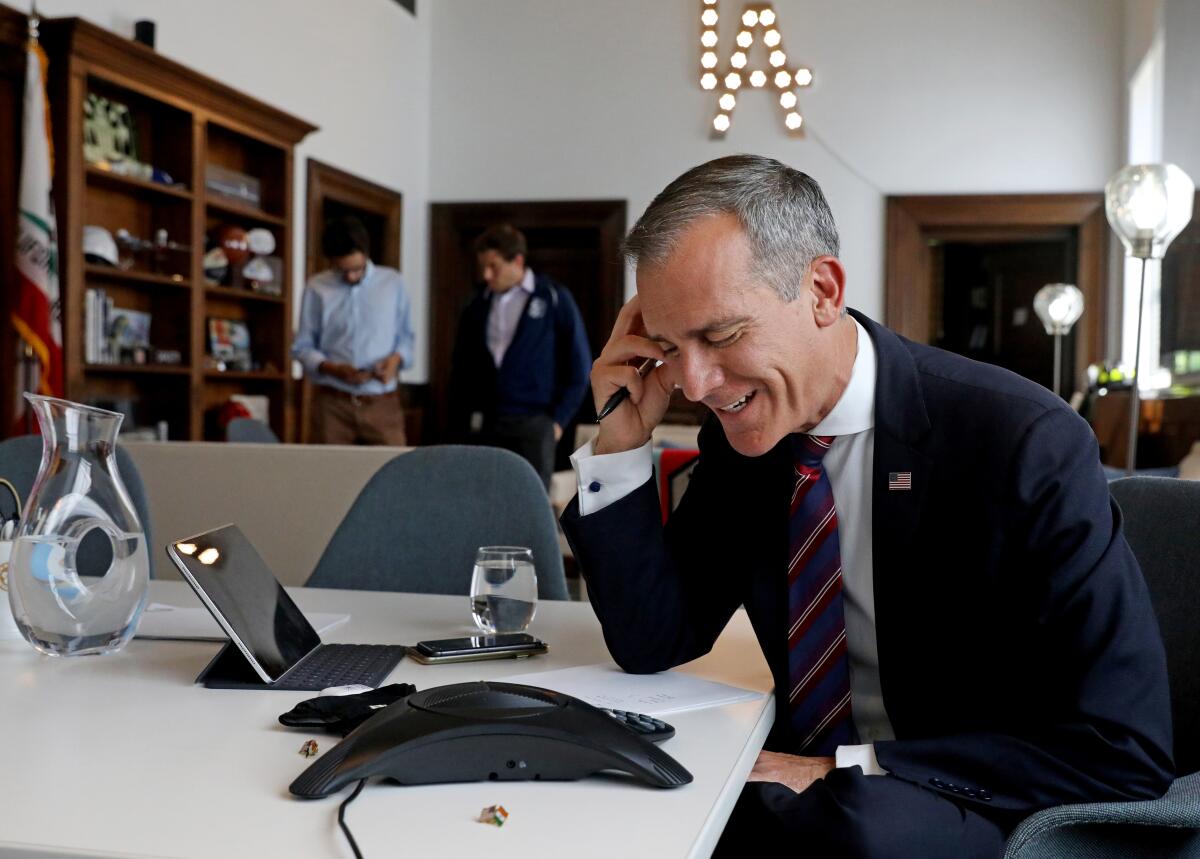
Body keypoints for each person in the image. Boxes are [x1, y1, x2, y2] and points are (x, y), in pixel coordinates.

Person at [559, 155, 1173, 857]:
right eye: (670, 347)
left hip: (967, 798)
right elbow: (652, 639)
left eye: (722, 335)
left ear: (822, 290)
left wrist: (853, 767)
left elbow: (1125, 745)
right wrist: (619, 438)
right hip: (799, 784)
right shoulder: (744, 442)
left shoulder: (1020, 442)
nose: (695, 382)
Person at [448, 224, 592, 489]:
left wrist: (557, 423)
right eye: (483, 267)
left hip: (535, 425)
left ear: (517, 261)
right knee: (483, 499)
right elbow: (461, 368)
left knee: (531, 504)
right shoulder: (475, 304)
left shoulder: (553, 297)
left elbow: (580, 367)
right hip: (486, 425)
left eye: (494, 266)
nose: (487, 274)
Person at [293, 216, 414, 445]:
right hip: (333, 405)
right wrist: (333, 368)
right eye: (342, 270)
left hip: (382, 403)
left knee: (393, 473)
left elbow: (406, 338)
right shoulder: (316, 288)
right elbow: (302, 346)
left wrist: (395, 360)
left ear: (366, 254)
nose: (350, 276)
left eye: (356, 269)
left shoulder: (393, 283)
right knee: (329, 476)